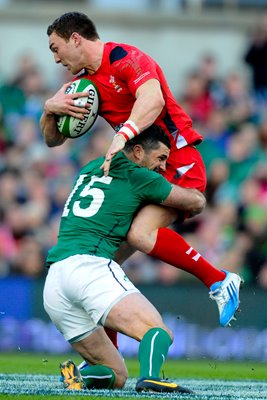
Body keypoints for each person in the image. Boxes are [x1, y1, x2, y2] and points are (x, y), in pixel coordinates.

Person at [40, 12, 242, 333]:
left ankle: (219, 280)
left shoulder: (124, 57)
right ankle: (110, 361)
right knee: (108, 261)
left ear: (75, 38)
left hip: (176, 157)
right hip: (144, 169)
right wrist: (50, 109)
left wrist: (121, 135)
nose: (54, 59)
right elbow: (53, 140)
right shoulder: (82, 85)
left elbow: (153, 97)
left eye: (55, 48)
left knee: (138, 234)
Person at [43, 126, 204, 394]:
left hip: (55, 281)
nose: (163, 167)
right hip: (90, 266)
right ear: (138, 151)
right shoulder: (139, 176)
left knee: (116, 375)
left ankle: (78, 378)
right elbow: (192, 202)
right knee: (158, 330)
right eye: (161, 158)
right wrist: (198, 194)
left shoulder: (90, 168)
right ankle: (151, 378)